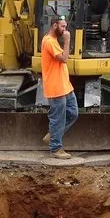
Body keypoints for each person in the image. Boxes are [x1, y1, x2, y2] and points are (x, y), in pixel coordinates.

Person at [41, 15, 78, 159]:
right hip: (55, 87)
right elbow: (64, 59)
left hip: (65, 86)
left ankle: (53, 135)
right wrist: (68, 40)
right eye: (62, 26)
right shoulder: (49, 42)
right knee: (58, 118)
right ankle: (55, 148)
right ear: (54, 25)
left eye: (65, 27)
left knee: (73, 113)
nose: (65, 30)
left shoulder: (54, 40)